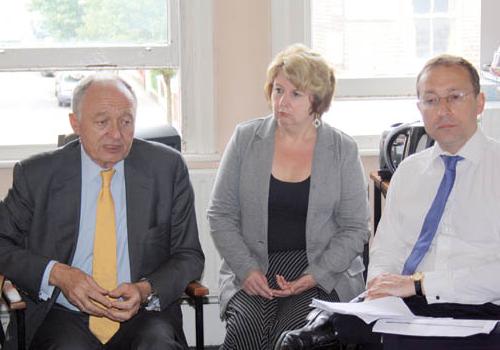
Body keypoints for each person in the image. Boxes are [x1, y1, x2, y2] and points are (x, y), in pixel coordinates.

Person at [279, 54, 500, 349]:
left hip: (481, 308)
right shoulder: (409, 172)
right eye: (431, 100)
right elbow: (387, 248)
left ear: (480, 102)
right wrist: (381, 283)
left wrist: (421, 284)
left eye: (455, 97)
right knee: (301, 342)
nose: (443, 110)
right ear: (420, 108)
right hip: (405, 304)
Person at [0, 74, 204, 350]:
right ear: (76, 124)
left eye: (126, 121)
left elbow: (189, 256)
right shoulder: (37, 175)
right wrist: (58, 274)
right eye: (102, 122)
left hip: (142, 313)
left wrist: (145, 290)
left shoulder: (166, 169)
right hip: (62, 313)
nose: (116, 134)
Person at [207, 43, 370, 349]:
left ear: (316, 101)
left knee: (293, 336)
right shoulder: (246, 139)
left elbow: (355, 228)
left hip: (320, 267)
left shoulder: (342, 150)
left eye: (295, 94)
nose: (282, 101)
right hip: (256, 263)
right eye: (278, 90)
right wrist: (247, 269)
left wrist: (314, 275)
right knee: (246, 328)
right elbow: (221, 215)